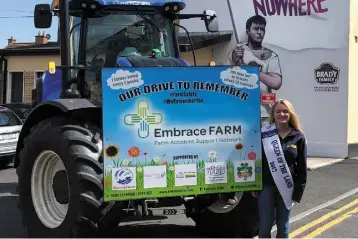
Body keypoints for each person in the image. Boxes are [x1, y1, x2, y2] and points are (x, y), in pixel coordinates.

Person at [252, 99, 307, 238]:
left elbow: (302, 168)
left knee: (283, 228)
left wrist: (297, 192)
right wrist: (254, 184)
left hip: (287, 187)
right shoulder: (264, 134)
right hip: (266, 186)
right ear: (273, 114)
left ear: (290, 114)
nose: (282, 114)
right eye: (278, 111)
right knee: (264, 227)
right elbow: (257, 161)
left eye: (285, 111)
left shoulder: (298, 137)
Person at [226, 14, 283, 125]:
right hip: (241, 111)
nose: (259, 32)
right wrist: (233, 60)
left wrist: (253, 71)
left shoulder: (271, 56)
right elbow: (223, 78)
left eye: (262, 29)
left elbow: (276, 83)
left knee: (266, 142)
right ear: (247, 31)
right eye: (256, 29)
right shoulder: (237, 52)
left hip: (265, 113)